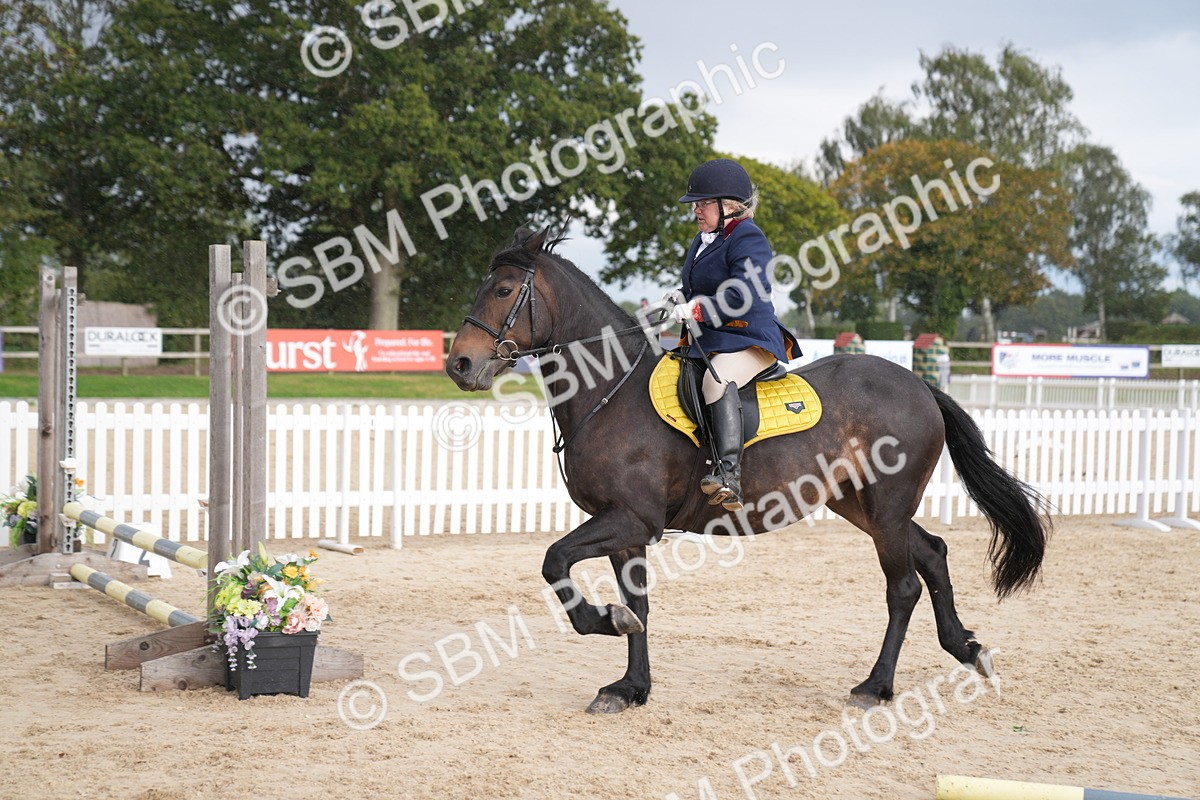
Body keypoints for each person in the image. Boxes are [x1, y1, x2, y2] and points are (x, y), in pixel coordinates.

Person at [665, 158, 800, 511]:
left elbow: (744, 294)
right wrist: (678, 299)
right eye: (697, 203)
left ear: (728, 206)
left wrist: (697, 309)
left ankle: (729, 476)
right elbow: (694, 286)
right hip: (711, 340)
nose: (696, 209)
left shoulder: (748, 237)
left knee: (717, 381)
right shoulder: (703, 240)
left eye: (703, 203)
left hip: (748, 339)